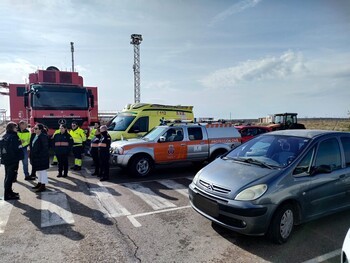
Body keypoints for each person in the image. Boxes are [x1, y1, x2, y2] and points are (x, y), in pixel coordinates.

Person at [2, 122, 23, 200]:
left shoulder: (5, 136)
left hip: (6, 160)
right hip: (13, 160)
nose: (17, 128)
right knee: (10, 177)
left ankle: (9, 192)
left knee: (7, 176)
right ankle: (7, 195)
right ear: (11, 128)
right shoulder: (14, 137)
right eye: (15, 127)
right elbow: (17, 148)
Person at [30, 123, 50, 192]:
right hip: (35, 157)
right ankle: (39, 183)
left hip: (41, 157)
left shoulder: (43, 136)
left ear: (40, 130)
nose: (34, 129)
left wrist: (39, 155)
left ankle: (43, 185)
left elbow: (45, 148)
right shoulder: (33, 135)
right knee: (38, 171)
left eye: (36, 128)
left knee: (42, 171)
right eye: (34, 128)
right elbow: (31, 146)